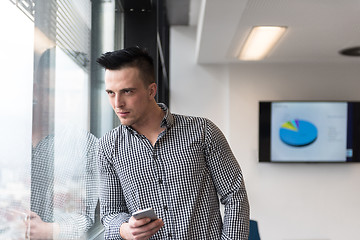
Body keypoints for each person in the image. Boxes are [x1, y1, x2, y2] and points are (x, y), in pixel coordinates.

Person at [96, 47, 250, 239]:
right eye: (111, 93)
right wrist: (125, 229)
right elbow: (111, 213)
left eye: (127, 91)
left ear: (151, 90)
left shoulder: (202, 131)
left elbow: (234, 195)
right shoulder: (108, 147)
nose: (117, 103)